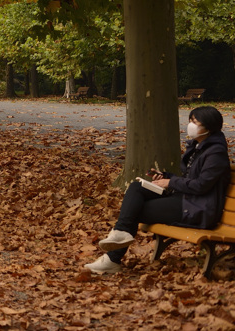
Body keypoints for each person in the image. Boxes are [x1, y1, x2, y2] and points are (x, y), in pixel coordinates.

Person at [85, 106, 230, 274]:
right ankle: (120, 234)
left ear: (209, 127)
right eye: (190, 121)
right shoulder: (200, 147)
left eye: (195, 122)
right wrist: (166, 176)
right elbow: (192, 179)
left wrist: (171, 182)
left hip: (198, 209)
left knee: (136, 209)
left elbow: (201, 185)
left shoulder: (216, 153)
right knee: (136, 187)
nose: (190, 125)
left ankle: (113, 257)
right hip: (188, 200)